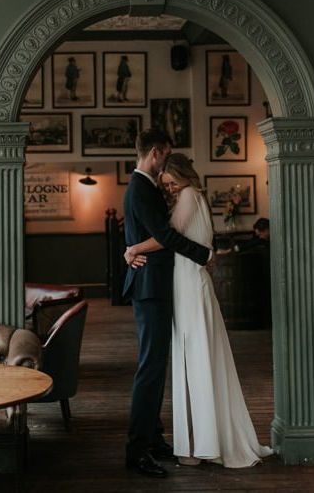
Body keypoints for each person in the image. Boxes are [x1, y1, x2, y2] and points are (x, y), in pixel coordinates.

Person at [126, 154, 273, 468]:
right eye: (166, 185)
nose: (169, 189)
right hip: (186, 282)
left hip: (189, 285)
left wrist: (134, 248)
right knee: (193, 357)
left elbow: (168, 237)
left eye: (171, 183)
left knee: (196, 358)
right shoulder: (193, 196)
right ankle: (198, 439)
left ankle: (201, 443)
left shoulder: (190, 195)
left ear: (183, 177)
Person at [122, 130, 212, 478]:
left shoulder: (142, 187)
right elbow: (165, 236)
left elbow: (145, 236)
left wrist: (131, 249)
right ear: (156, 152)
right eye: (166, 156)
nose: (165, 168)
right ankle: (137, 450)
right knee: (150, 369)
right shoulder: (141, 188)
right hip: (151, 289)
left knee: (156, 368)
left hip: (155, 285)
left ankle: (155, 439)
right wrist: (203, 254)